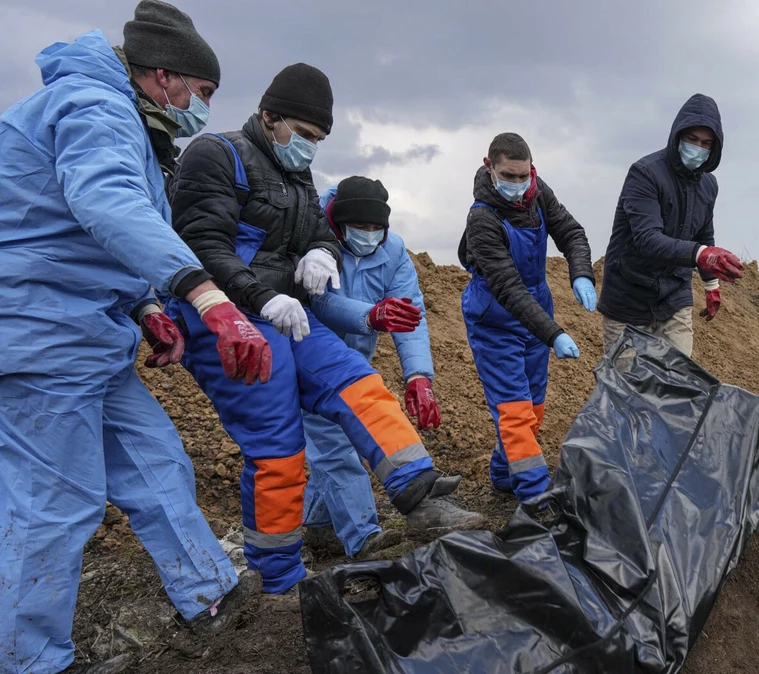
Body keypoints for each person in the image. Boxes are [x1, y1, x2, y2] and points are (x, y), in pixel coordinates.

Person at [0, 3, 272, 672]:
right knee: (53, 506)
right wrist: (202, 293)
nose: (201, 108)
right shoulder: (94, 106)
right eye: (201, 94)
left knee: (156, 463)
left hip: (89, 336)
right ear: (163, 76)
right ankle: (30, 659)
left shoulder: (129, 128)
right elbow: (105, 203)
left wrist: (148, 305)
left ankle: (208, 593)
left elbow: (99, 237)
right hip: (38, 335)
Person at [168, 64, 481, 595]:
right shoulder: (215, 155)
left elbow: (319, 231)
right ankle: (280, 580)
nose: (310, 148)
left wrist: (319, 250)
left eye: (319, 140)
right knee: (279, 448)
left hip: (288, 313)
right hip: (228, 317)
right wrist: (261, 296)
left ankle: (423, 498)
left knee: (359, 383)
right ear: (269, 117)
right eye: (306, 135)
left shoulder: (296, 176)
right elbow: (201, 243)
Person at [301, 176, 452, 558]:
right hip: (310, 359)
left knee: (333, 443)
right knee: (336, 447)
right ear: (338, 223)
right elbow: (315, 302)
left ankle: (318, 527)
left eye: (376, 228)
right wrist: (370, 315)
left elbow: (409, 314)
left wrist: (419, 376)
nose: (369, 235)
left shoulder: (394, 251)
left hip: (355, 362)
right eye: (360, 228)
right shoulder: (312, 240)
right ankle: (364, 538)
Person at [459, 132, 595, 510]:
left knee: (533, 406)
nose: (517, 185)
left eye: (523, 176)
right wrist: (553, 334)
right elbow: (507, 287)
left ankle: (504, 474)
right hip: (496, 320)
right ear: (490, 168)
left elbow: (571, 232)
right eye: (509, 176)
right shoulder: (482, 218)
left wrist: (580, 271)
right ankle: (536, 498)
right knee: (514, 411)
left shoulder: (538, 192)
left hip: (537, 310)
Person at [598, 93, 745, 357]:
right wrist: (701, 254)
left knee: (679, 385)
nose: (698, 147)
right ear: (677, 135)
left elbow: (704, 233)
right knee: (627, 390)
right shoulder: (645, 174)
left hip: (674, 295)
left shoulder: (709, 185)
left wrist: (711, 284)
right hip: (629, 296)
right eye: (692, 139)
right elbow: (647, 239)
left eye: (706, 143)